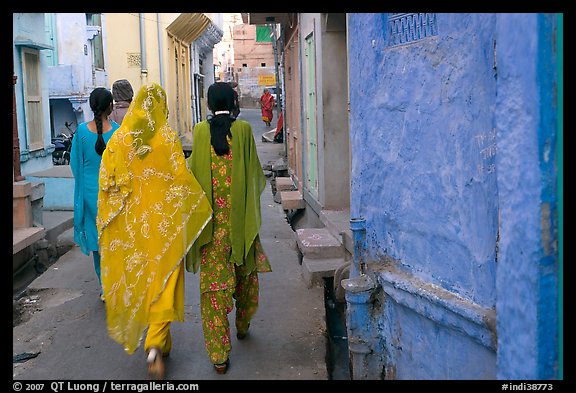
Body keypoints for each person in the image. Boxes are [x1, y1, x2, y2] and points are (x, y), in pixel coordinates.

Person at [96, 83, 212, 380]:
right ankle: (155, 343)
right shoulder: (167, 137)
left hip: (134, 230)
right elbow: (180, 178)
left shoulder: (119, 140)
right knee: (166, 284)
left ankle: (160, 344)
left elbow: (107, 182)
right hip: (165, 229)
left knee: (145, 283)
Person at [186, 81, 272, 375]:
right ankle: (244, 324)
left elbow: (192, 178)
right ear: (233, 102)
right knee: (246, 280)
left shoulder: (199, 133)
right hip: (241, 225)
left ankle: (219, 357)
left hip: (211, 231)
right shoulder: (244, 131)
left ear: (208, 104)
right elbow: (253, 176)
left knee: (214, 293)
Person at [70, 87, 120, 302]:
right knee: (114, 242)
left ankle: (104, 289)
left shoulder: (81, 132)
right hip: (112, 194)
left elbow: (75, 165)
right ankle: (118, 284)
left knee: (98, 245)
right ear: (110, 106)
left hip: (91, 195)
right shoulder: (118, 131)